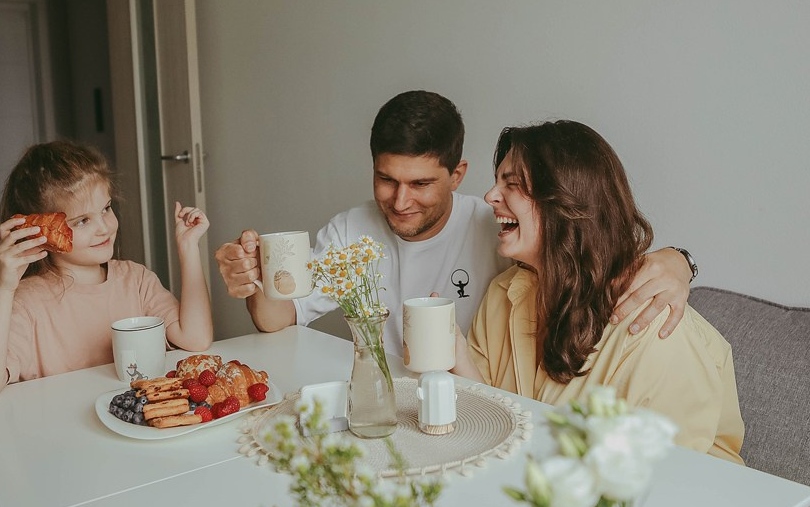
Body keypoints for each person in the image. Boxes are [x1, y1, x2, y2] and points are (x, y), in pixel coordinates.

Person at [215, 90, 695, 355]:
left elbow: (588, 250)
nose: (400, 200)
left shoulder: (499, 228)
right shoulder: (351, 231)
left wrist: (679, 261)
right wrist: (255, 276)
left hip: (477, 398)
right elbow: (276, 319)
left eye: (421, 183)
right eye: (386, 179)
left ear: (457, 175)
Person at [453, 120, 744, 464]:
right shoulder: (504, 293)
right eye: (497, 180)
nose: (490, 196)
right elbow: (486, 424)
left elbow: (667, 479)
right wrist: (454, 354)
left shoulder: (656, 328)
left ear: (566, 202)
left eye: (512, 184)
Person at [0, 140, 213, 402]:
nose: (104, 227)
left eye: (106, 208)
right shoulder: (27, 300)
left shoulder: (136, 280)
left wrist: (188, 248)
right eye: (82, 221)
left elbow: (196, 338)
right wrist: (4, 289)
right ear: (40, 232)